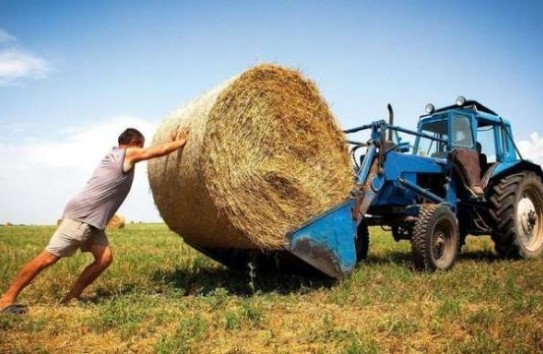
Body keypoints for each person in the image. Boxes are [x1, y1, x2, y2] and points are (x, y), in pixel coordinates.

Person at [0, 127, 189, 314]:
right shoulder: (126, 154)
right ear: (133, 144)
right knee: (48, 258)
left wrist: (169, 142)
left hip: (93, 220)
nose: (140, 151)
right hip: (83, 216)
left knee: (104, 258)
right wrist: (180, 143)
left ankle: (71, 297)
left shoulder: (114, 156)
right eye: (140, 146)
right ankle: (6, 299)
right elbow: (153, 152)